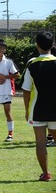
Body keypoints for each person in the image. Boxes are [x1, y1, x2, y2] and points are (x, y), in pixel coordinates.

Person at [22, 31, 56, 182]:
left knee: (40, 142)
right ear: (52, 45)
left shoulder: (32, 64)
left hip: (38, 110)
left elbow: (26, 90)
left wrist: (27, 110)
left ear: (37, 45)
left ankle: (46, 174)